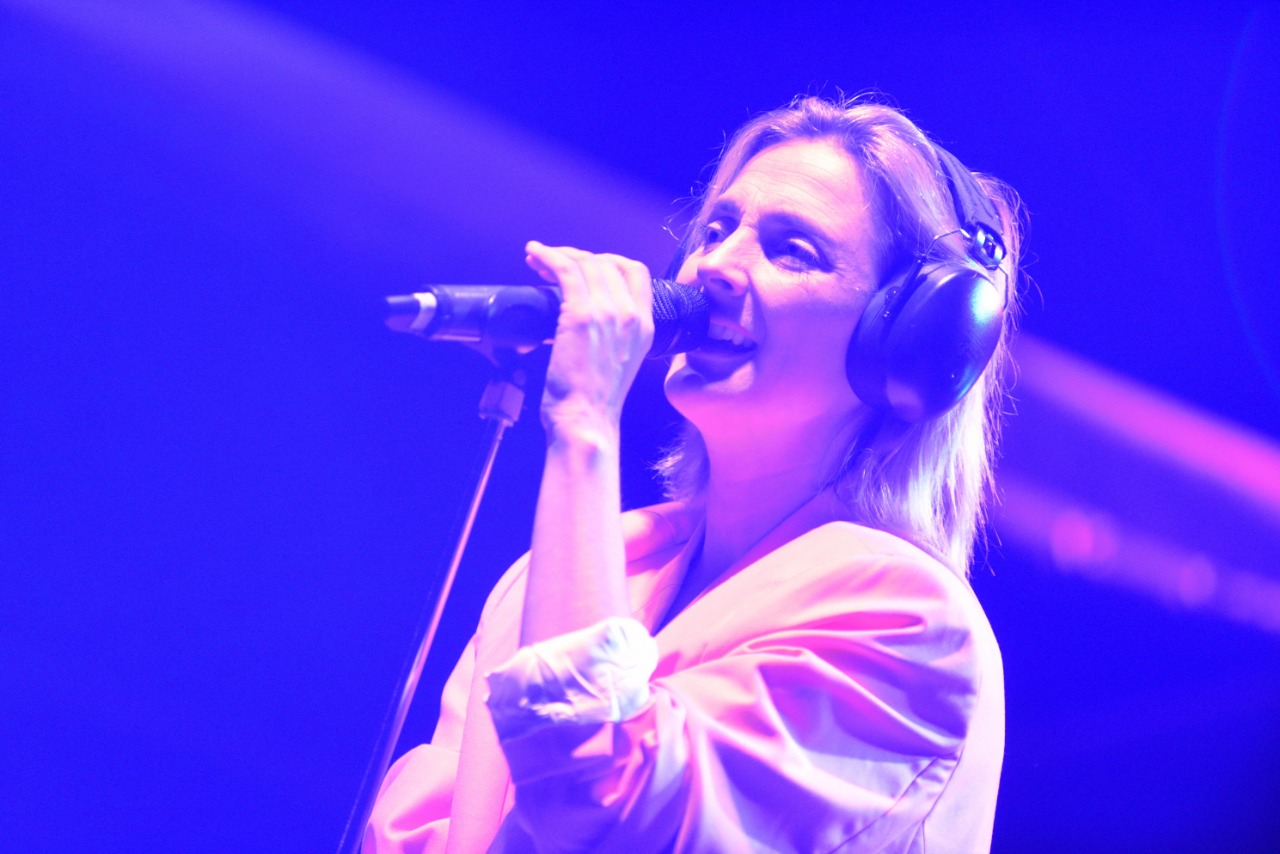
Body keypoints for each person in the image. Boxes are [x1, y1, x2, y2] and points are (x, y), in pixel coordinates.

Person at [364, 95, 1024, 853]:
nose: (713, 266)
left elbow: (605, 818)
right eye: (715, 230)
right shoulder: (567, 575)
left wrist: (585, 419)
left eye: (792, 250)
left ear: (906, 342)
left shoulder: (910, 625)